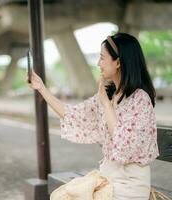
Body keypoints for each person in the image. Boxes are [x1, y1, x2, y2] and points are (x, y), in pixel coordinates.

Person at [26, 33, 160, 200]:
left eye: (102, 58)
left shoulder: (140, 99)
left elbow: (124, 147)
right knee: (62, 195)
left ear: (118, 62)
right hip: (109, 178)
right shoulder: (109, 95)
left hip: (129, 185)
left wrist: (106, 105)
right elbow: (73, 115)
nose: (98, 63)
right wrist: (41, 88)